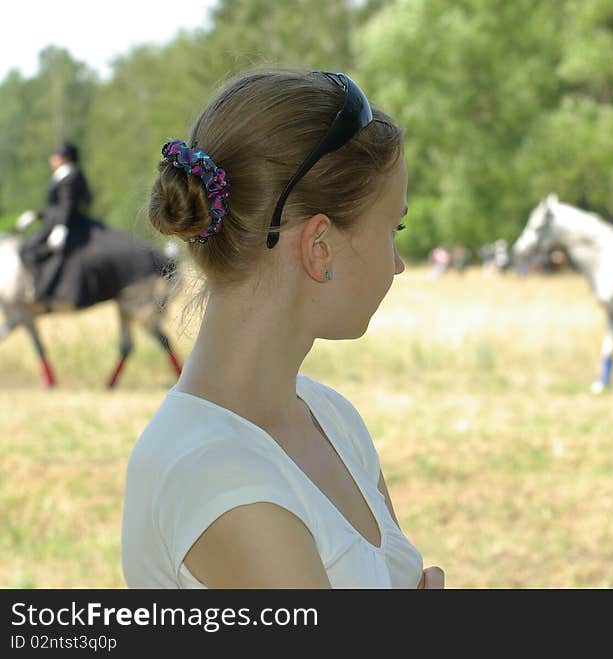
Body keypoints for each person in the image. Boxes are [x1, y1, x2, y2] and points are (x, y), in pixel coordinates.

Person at [121, 70, 443, 589]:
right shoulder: (220, 479)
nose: (399, 262)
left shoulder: (331, 419)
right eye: (393, 228)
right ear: (320, 247)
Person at [17, 142, 94, 307]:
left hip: (64, 224)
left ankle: (40, 289)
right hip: (55, 221)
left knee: (28, 248)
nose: (52, 159)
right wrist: (36, 215)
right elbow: (56, 207)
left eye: (56, 156)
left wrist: (61, 227)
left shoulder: (69, 175)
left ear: (65, 158)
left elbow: (67, 205)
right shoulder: (63, 175)